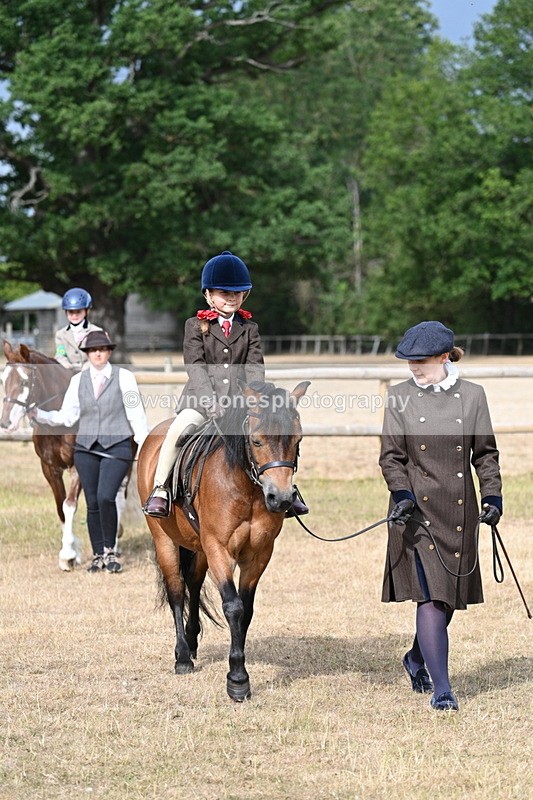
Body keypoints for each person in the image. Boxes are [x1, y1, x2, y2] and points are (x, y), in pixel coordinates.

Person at [379, 320, 503, 712]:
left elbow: (485, 453)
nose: (413, 368)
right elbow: (391, 457)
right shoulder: (399, 397)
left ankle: (415, 659)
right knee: (431, 599)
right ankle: (442, 690)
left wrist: (493, 496)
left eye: (421, 361)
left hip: (460, 512)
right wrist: (401, 492)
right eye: (408, 361)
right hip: (415, 510)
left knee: (447, 600)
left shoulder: (473, 396)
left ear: (445, 357)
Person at [143, 250, 309, 519]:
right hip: (200, 402)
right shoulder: (194, 326)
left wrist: (256, 399)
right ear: (208, 294)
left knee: (273, 435)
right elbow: (195, 367)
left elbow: (255, 367)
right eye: (224, 293)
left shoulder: (250, 328)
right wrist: (210, 401)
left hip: (242, 404)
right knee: (177, 430)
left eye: (237, 293)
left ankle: (288, 489)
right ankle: (161, 489)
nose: (231, 298)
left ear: (244, 295)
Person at [30, 330, 149, 573]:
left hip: (117, 446)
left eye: (102, 349)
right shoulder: (78, 381)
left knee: (107, 496)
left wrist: (144, 443)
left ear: (109, 352)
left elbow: (135, 414)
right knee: (92, 501)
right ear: (87, 354)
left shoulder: (124, 377)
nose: (97, 353)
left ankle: (111, 551)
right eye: (93, 350)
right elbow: (67, 416)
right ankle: (97, 555)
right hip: (85, 448)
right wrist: (39, 415)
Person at [55, 287, 103, 370]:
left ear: (86, 311)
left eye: (78, 312)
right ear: (66, 312)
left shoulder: (96, 332)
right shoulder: (60, 334)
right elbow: (60, 354)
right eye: (71, 312)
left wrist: (87, 367)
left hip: (92, 372)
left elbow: (98, 355)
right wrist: (66, 365)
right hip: (69, 373)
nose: (74, 315)